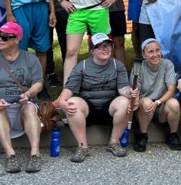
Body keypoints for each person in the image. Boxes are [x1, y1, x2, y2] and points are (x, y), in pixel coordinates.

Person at [0, 21, 44, 173]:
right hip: (3, 108)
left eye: (5, 37)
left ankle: (35, 154)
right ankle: (10, 155)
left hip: (23, 105)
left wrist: (27, 94)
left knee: (29, 108)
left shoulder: (31, 59)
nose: (0, 40)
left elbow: (38, 84)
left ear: (17, 39)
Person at [55, 32, 131, 161]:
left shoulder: (117, 65)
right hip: (88, 110)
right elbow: (69, 89)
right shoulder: (81, 67)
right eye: (100, 47)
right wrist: (62, 101)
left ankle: (114, 142)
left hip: (109, 110)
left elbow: (123, 89)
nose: (105, 49)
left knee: (124, 102)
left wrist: (131, 93)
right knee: (72, 102)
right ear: (92, 51)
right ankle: (82, 147)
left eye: (108, 46)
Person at [129, 39, 181, 152]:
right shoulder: (138, 67)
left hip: (161, 104)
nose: (155, 55)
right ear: (144, 55)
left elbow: (171, 90)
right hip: (144, 107)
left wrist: (158, 102)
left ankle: (173, 135)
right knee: (146, 102)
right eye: (151, 52)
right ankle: (143, 135)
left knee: (175, 104)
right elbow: (135, 92)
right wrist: (137, 102)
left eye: (157, 50)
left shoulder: (167, 64)